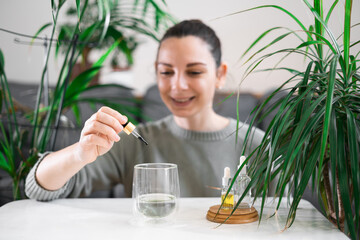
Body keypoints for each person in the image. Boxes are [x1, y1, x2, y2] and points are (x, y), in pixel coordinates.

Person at [25, 19, 264, 201]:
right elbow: (37, 187)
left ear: (220, 74)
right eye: (166, 72)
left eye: (194, 72)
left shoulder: (257, 145)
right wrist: (79, 153)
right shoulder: (134, 142)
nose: (177, 85)